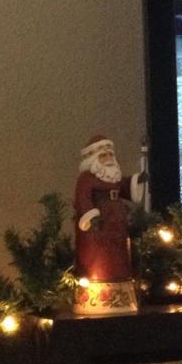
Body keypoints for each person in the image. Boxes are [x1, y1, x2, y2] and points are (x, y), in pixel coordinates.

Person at [73, 133, 144, 311]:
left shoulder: (114, 177)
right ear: (94, 158)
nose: (109, 159)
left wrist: (137, 180)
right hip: (98, 226)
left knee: (119, 256)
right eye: (104, 155)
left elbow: (125, 187)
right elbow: (82, 197)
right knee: (98, 259)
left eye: (110, 155)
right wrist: (90, 215)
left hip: (117, 224)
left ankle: (121, 293)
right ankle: (96, 297)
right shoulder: (87, 178)